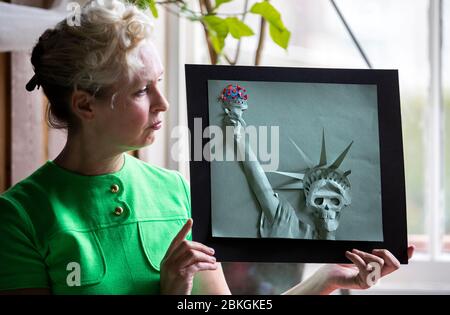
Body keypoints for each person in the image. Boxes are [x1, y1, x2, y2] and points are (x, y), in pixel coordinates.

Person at [0, 0, 414, 295]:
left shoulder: (175, 192)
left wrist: (329, 277)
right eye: (142, 90)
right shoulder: (19, 217)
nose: (163, 102)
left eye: (160, 82)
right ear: (85, 104)